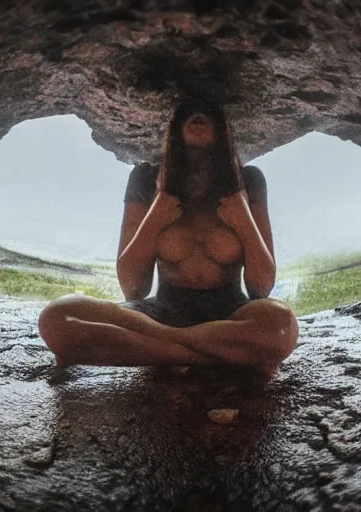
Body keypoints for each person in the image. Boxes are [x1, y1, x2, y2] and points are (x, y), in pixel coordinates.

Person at [38, 98, 298, 379]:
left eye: (208, 111)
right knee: (57, 319)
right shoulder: (145, 178)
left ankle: (161, 350)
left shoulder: (249, 181)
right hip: (159, 311)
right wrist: (156, 216)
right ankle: (210, 356)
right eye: (187, 111)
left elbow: (261, 288)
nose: (197, 113)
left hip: (230, 315)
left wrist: (244, 219)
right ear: (172, 129)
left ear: (225, 131)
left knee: (281, 327)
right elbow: (133, 288)